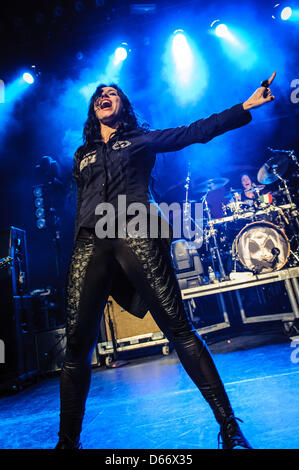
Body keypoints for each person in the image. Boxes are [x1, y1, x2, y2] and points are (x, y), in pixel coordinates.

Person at [55, 73, 276, 450]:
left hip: (134, 228)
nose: (104, 96)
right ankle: (67, 443)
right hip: (91, 240)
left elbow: (193, 131)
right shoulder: (82, 154)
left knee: (178, 327)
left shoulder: (140, 139)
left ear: (123, 106)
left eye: (112, 94)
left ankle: (229, 427)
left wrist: (245, 107)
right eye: (99, 95)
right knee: (76, 344)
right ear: (94, 110)